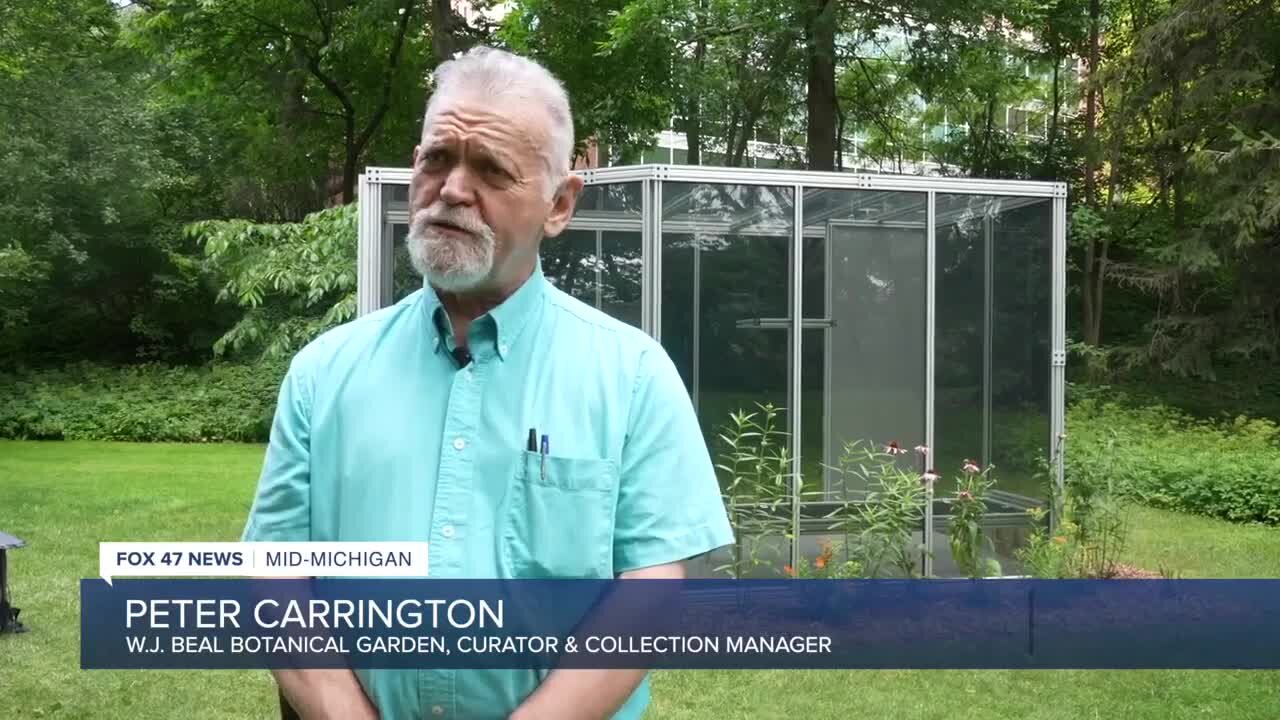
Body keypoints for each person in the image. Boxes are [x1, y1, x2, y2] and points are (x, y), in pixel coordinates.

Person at [241, 46, 735, 720]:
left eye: (492, 169)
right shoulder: (323, 373)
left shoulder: (632, 377)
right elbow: (276, 573)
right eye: (437, 158)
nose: (452, 189)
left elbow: (650, 585)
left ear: (559, 204)